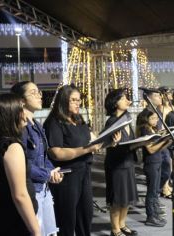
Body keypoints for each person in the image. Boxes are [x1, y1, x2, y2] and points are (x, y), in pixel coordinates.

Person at [43, 84, 102, 236]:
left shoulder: (78, 118)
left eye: (79, 100)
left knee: (85, 215)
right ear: (63, 101)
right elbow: (57, 153)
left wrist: (108, 141)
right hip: (67, 176)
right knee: (67, 220)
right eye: (74, 100)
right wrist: (87, 149)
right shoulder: (54, 122)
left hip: (84, 172)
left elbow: (90, 139)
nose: (78, 103)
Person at [0, 93, 40, 236]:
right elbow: (20, 195)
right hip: (14, 222)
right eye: (20, 109)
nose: (25, 113)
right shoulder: (12, 147)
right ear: (10, 115)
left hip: (2, 218)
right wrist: (36, 231)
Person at [11, 81, 63, 236]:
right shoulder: (20, 128)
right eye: (33, 92)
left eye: (39, 92)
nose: (39, 96)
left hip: (44, 189)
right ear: (21, 101)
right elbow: (23, 164)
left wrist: (53, 170)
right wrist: (46, 174)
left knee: (49, 232)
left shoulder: (37, 125)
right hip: (31, 191)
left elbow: (44, 155)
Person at [104, 89, 139, 236]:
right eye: (123, 98)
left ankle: (122, 224)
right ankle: (115, 229)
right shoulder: (112, 121)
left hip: (128, 161)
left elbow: (129, 140)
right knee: (117, 198)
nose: (127, 100)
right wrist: (114, 142)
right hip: (116, 165)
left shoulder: (127, 117)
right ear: (115, 102)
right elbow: (105, 143)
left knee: (127, 197)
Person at [136, 108, 172, 227]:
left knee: (156, 190)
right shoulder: (144, 130)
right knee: (151, 191)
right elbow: (151, 149)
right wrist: (163, 141)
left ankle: (155, 212)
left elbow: (159, 148)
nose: (156, 120)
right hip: (151, 163)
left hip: (157, 161)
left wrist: (168, 140)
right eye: (153, 118)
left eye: (156, 118)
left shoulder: (153, 129)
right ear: (146, 119)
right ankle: (150, 216)